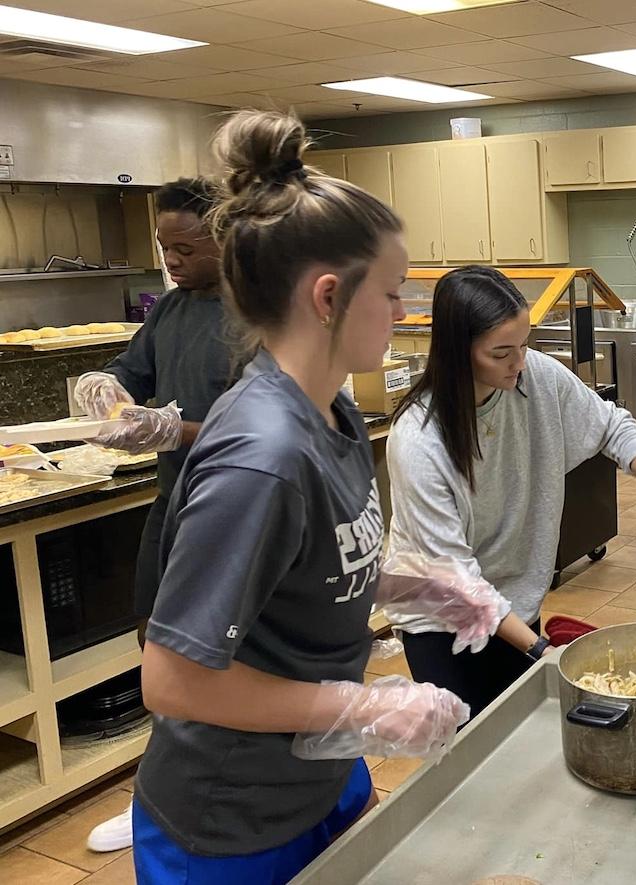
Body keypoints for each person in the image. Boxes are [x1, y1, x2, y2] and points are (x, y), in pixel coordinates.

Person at [129, 109, 490, 884]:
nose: (402, 312)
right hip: (231, 819)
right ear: (328, 297)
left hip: (318, 775)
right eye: (391, 293)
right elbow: (173, 678)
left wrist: (423, 586)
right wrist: (360, 706)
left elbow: (312, 563)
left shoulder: (335, 408)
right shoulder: (262, 456)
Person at [385, 265, 636, 717]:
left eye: (525, 344)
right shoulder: (419, 442)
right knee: (473, 753)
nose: (519, 363)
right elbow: (457, 583)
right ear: (458, 353)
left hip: (512, 604)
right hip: (442, 624)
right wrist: (540, 651)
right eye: (501, 353)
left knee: (519, 729)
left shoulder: (536, 379)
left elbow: (611, 423)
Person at [72, 177, 243, 853]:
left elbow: (270, 427)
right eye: (163, 246)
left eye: (184, 246)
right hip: (173, 502)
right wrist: (107, 385)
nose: (171, 259)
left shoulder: (254, 313)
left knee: (225, 659)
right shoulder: (172, 311)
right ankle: (162, 789)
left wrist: (175, 432)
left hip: (237, 509)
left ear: (225, 238)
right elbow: (132, 373)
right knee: (157, 645)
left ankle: (221, 787)